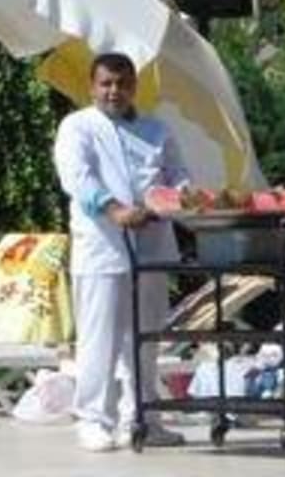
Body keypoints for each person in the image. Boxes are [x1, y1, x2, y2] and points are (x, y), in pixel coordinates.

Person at [54, 52, 189, 452]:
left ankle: (144, 417)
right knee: (100, 338)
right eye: (106, 84)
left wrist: (171, 201)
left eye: (122, 83)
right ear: (92, 86)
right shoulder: (77, 127)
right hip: (102, 248)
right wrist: (115, 210)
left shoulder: (156, 129)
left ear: (134, 86)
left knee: (146, 337)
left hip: (152, 243)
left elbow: (178, 176)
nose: (114, 91)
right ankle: (95, 419)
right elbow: (77, 177)